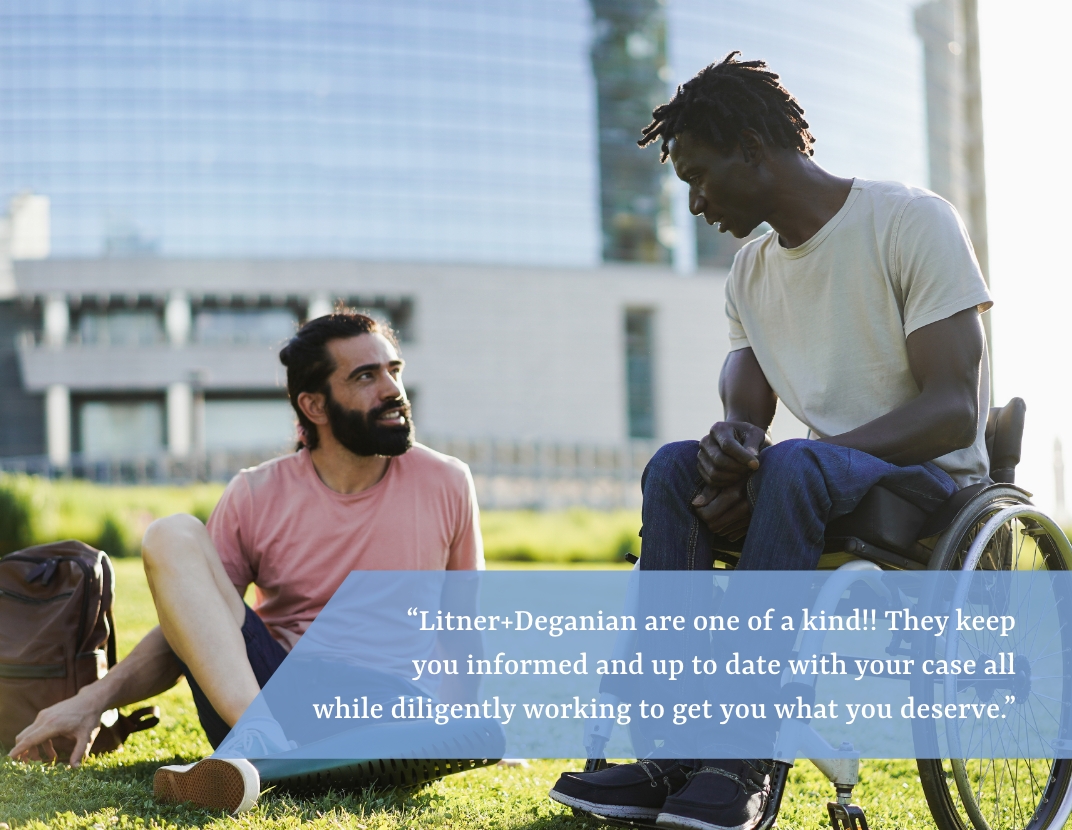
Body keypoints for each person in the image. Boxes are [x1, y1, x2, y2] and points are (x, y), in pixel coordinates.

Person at [550, 51, 992, 830]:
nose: (693, 203)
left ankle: (744, 758)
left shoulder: (909, 220)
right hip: (816, 481)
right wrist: (732, 449)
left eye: (699, 174)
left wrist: (790, 461)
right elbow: (744, 409)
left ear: (754, 148)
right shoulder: (749, 271)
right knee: (673, 467)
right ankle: (672, 753)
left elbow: (954, 408)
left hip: (930, 489)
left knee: (796, 465)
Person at [9, 312, 484, 814]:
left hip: (383, 703)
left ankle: (252, 766)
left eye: (394, 370)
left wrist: (460, 726)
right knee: (171, 532)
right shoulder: (256, 493)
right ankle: (263, 743)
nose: (392, 389)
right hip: (269, 691)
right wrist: (93, 699)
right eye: (366, 376)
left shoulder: (447, 482)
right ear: (314, 405)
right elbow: (192, 626)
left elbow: (461, 628)